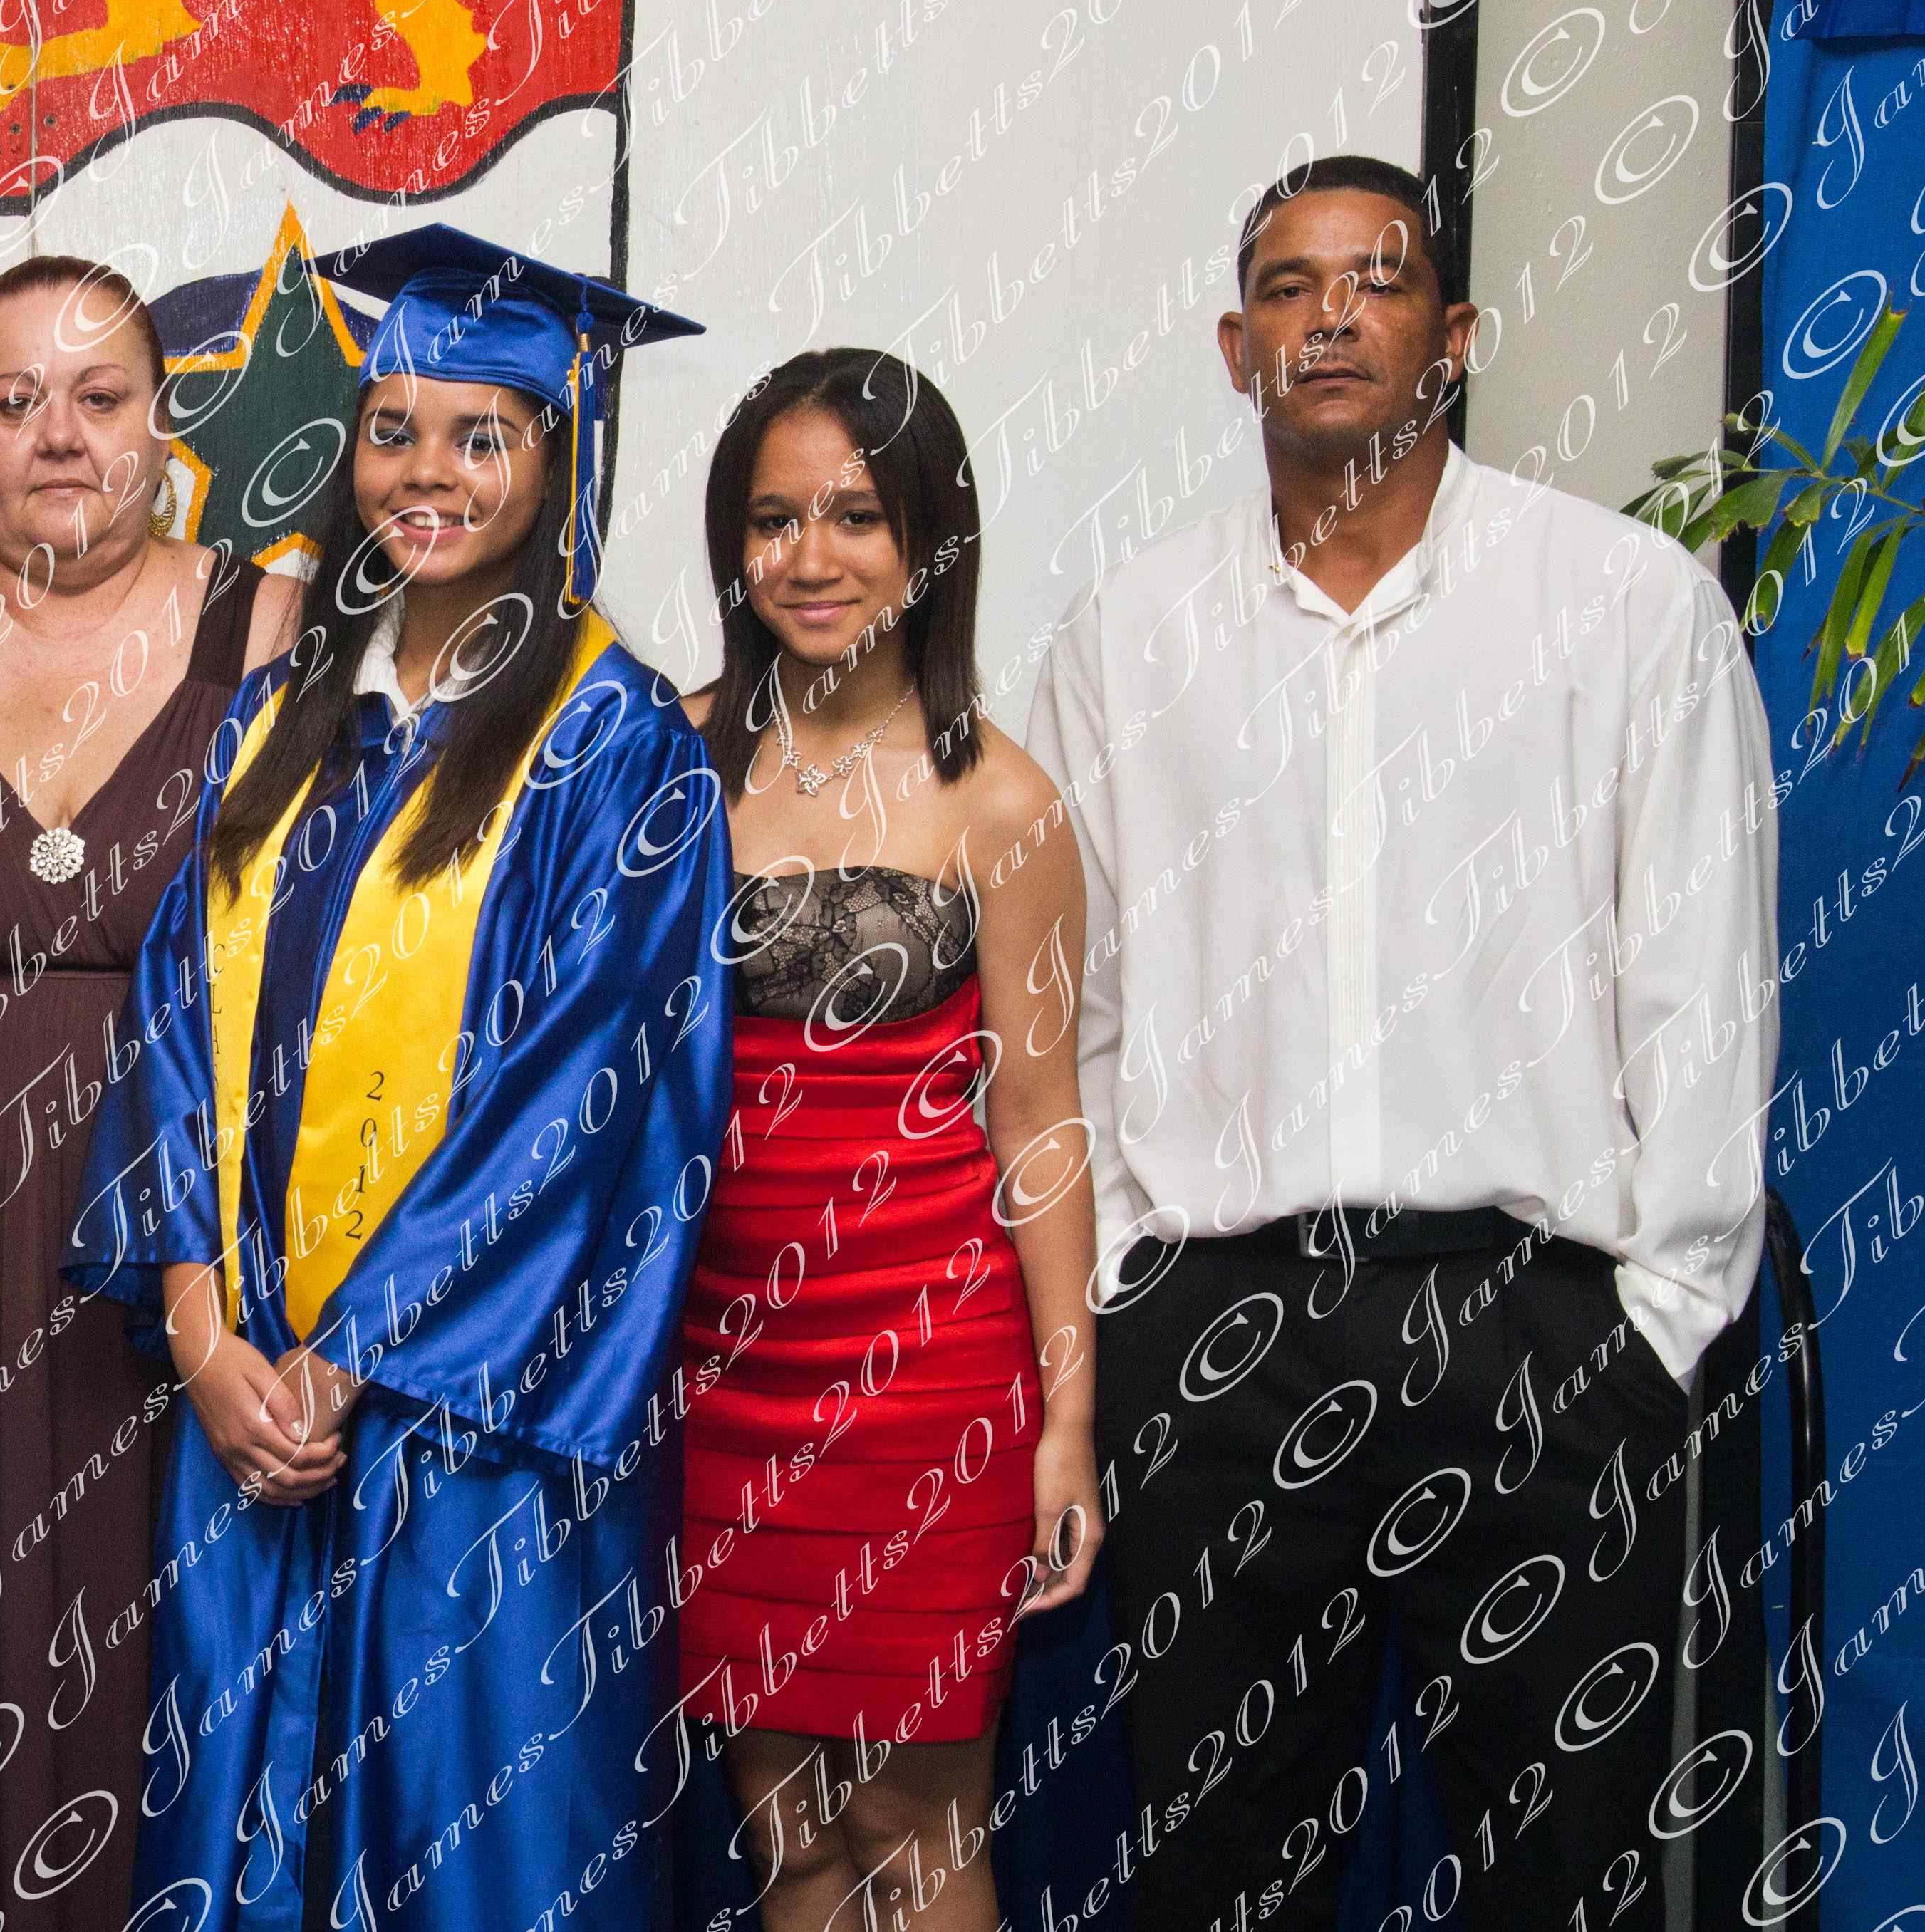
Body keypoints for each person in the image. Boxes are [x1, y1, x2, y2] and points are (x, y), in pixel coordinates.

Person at [1023, 156, 1775, 1924]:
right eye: (1288, 288)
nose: (1331, 316)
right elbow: (1075, 1007)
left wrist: (1655, 1323)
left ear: (1455, 334)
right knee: (1222, 1873)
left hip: (1537, 1334)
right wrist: (1133, 1290)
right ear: (1234, 350)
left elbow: (1702, 977)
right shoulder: (1127, 636)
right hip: (1221, 1347)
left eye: (1377, 280)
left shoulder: (1621, 603)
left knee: (1559, 1871)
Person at [71, 226, 731, 1931]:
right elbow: (173, 1019)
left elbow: (585, 1098)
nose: (424, 471)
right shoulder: (285, 714)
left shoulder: (615, 746)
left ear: (556, 462)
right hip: (252, 1414)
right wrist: (204, 1335)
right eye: (392, 431)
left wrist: (350, 1358)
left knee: (475, 1843)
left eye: (477, 435)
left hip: (473, 1425)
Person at [0, 254, 301, 1928]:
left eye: (100, 397)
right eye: (13, 399)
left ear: (164, 423)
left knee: (161, 1622)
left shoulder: (274, 624)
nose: (59, 434)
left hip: (187, 1219)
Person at [674, 352, 1101, 1929]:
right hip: (712, 1375)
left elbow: (1040, 1121)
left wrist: (1067, 1420)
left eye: (856, 516)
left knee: (916, 1838)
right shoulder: (666, 757)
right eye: (773, 518)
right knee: (788, 1836)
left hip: (927, 1381)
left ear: (930, 538)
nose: (810, 556)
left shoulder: (1002, 801)